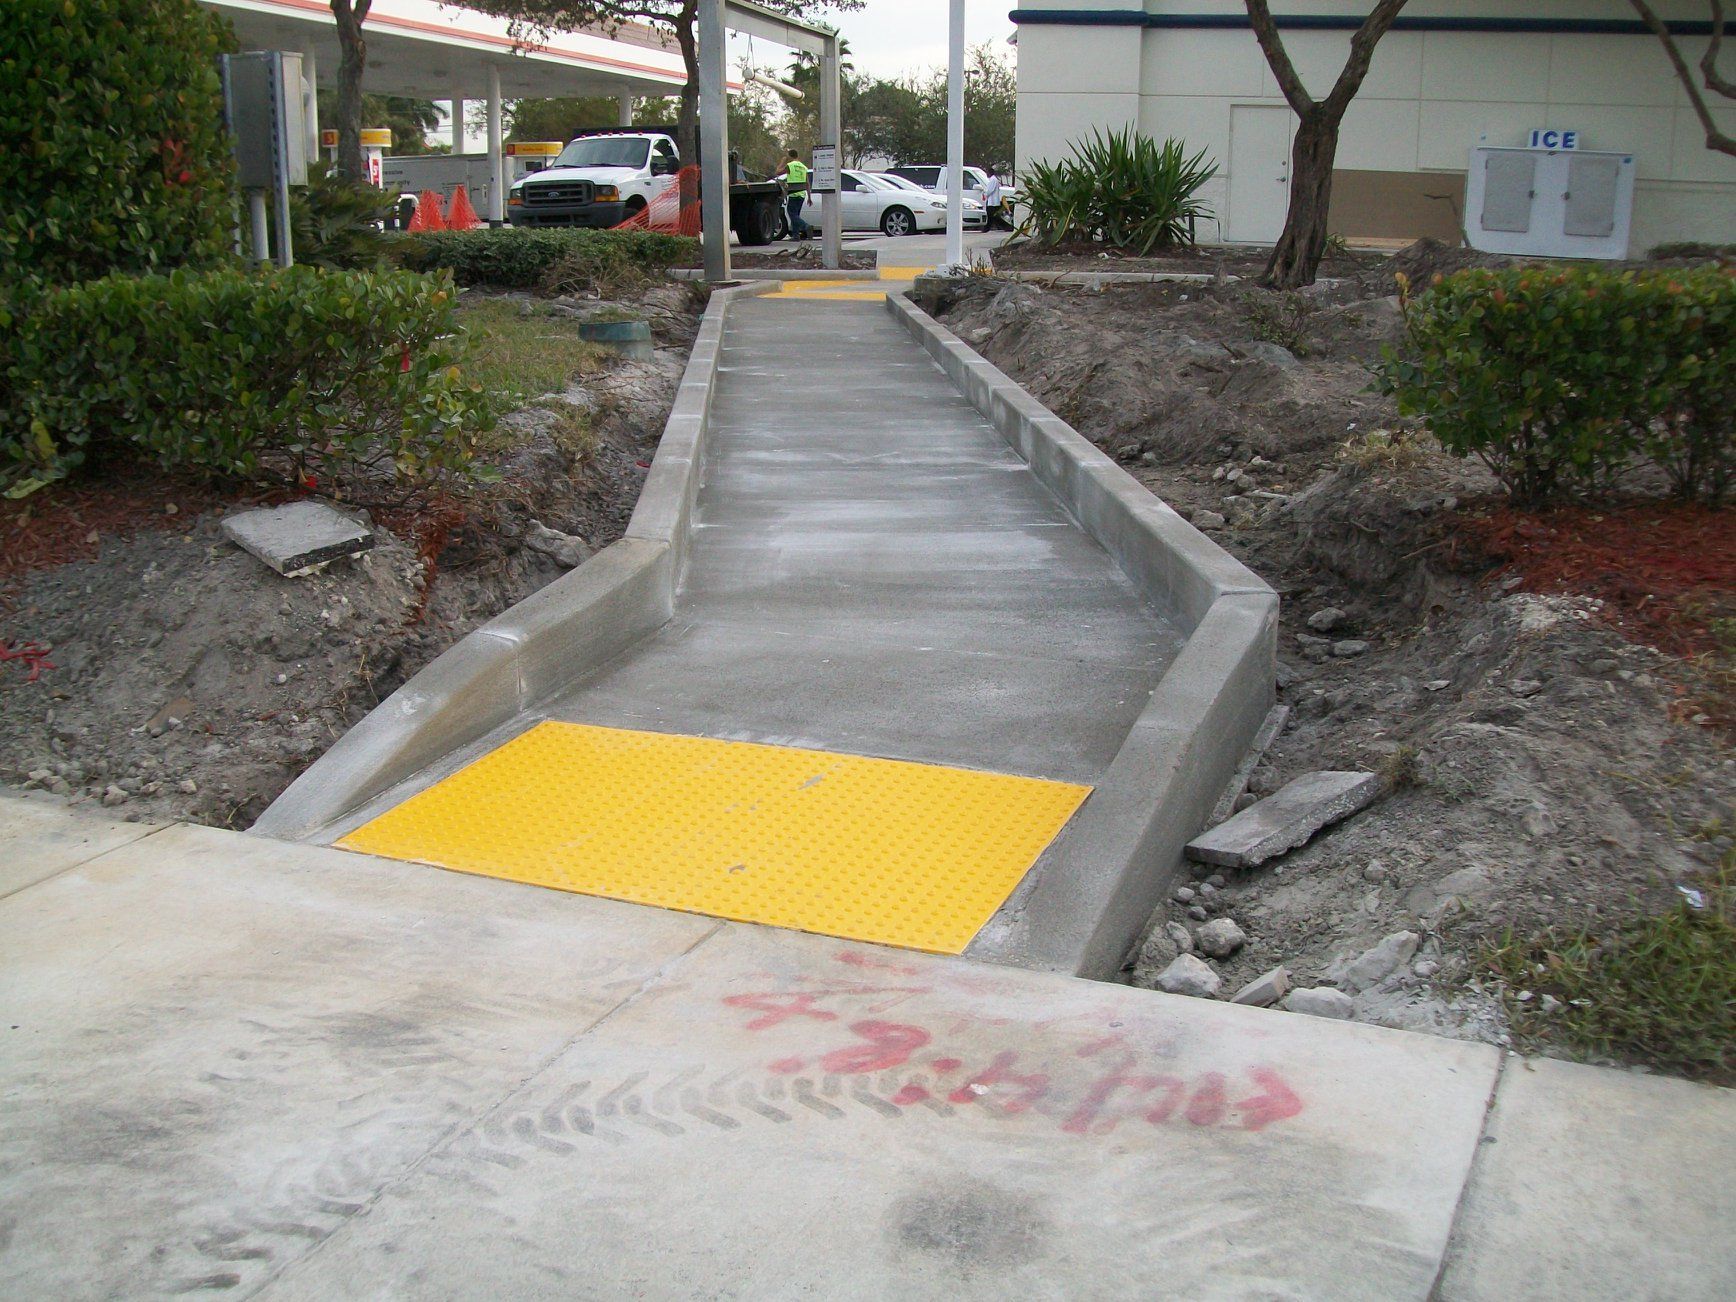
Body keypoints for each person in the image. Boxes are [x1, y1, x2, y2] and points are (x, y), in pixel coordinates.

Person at [782, 149, 811, 240]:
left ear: (790, 156)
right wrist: (809, 197)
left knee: (792, 214)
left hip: (793, 193)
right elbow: (807, 183)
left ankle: (806, 226)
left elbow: (777, 172)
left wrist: (782, 162)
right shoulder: (804, 167)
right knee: (796, 215)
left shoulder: (789, 165)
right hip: (802, 194)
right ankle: (796, 235)